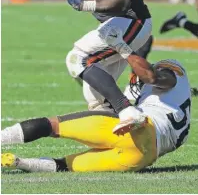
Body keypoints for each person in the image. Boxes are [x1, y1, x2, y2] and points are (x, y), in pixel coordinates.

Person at [1, 53, 191, 172]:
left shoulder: (172, 74)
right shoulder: (178, 113)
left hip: (139, 129)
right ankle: (19, 163)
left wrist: (126, 51)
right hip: (139, 159)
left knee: (52, 126)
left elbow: (151, 76)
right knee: (63, 166)